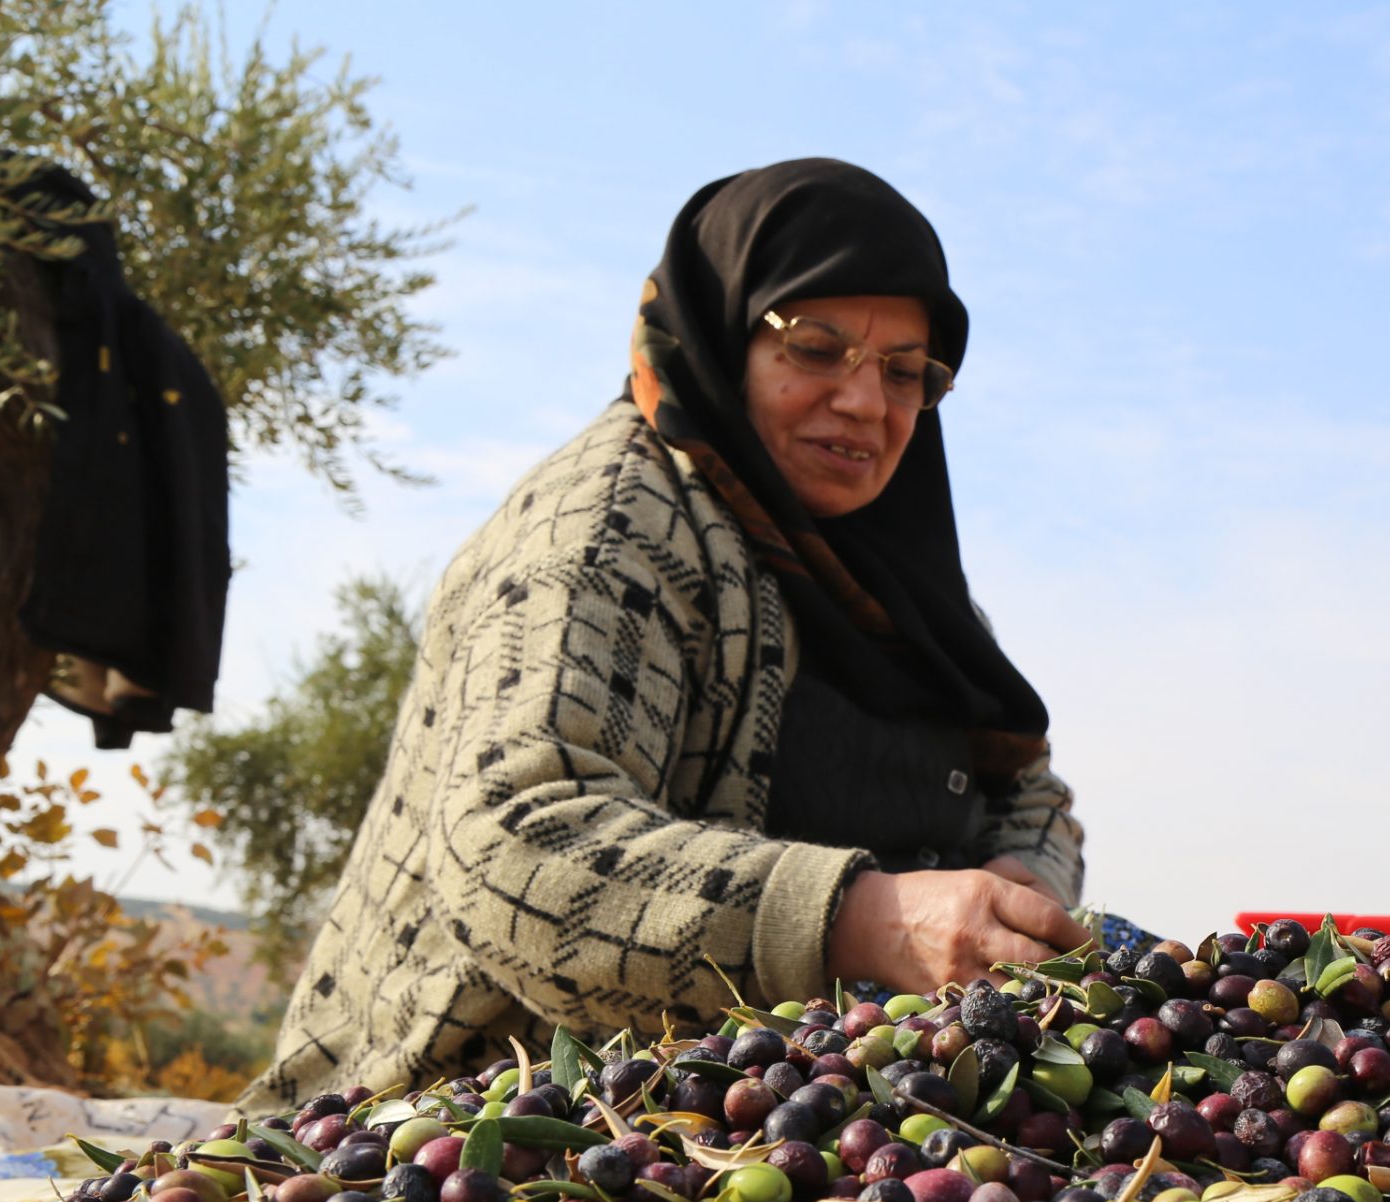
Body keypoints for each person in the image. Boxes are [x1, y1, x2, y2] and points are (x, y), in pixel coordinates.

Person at [241, 159, 1105, 1112]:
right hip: (473, 1124)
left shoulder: (896, 580)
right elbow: (518, 842)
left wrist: (1015, 892)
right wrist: (863, 919)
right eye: (816, 349)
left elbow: (1027, 791)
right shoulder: (611, 524)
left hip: (777, 1108)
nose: (867, 404)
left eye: (906, 372)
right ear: (723, 335)